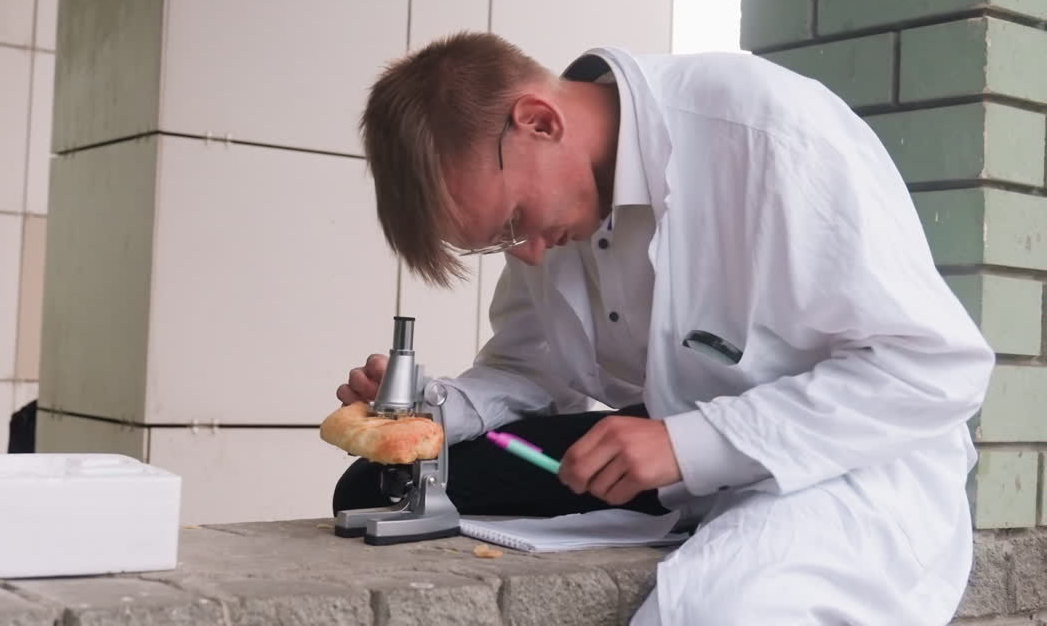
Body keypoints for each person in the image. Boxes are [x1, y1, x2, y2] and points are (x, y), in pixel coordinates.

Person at [331, 32, 993, 625]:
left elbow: (936, 368)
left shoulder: (767, 133)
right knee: (372, 487)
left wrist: (693, 444)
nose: (527, 253)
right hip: (667, 448)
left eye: (513, 221)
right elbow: (526, 370)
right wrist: (428, 412)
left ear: (538, 120)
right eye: (495, 243)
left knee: (718, 610)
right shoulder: (548, 216)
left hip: (844, 453)